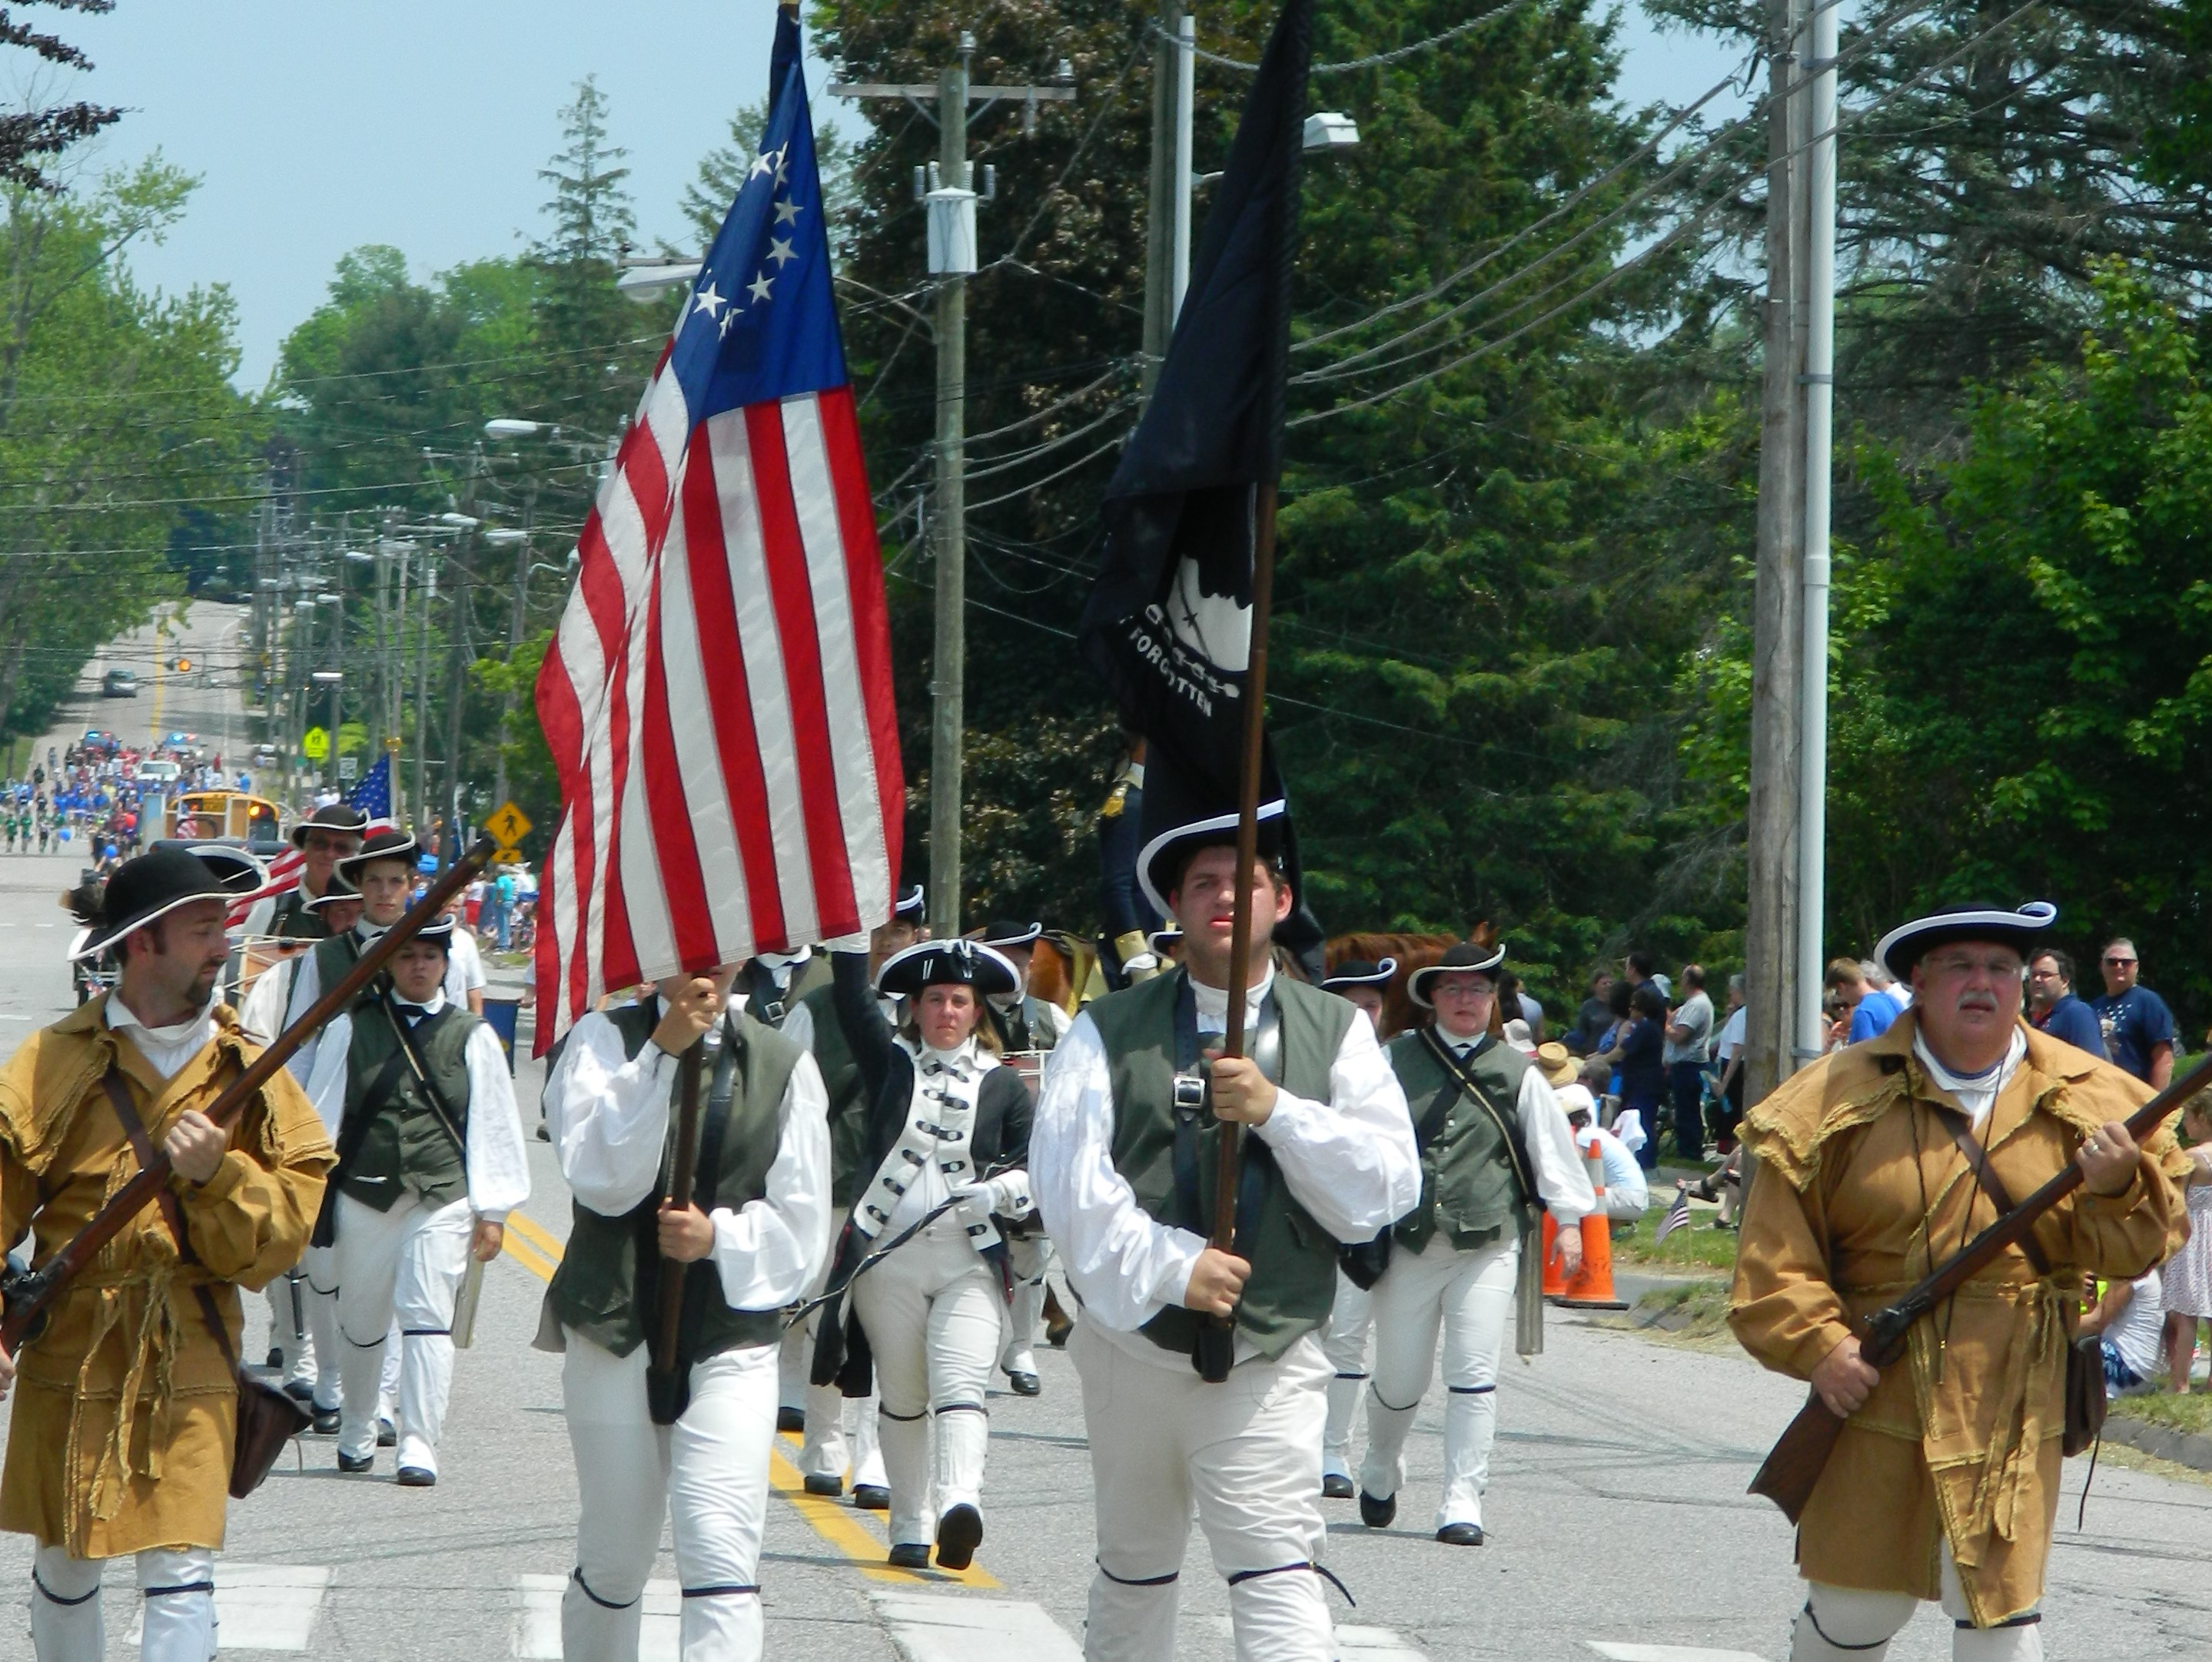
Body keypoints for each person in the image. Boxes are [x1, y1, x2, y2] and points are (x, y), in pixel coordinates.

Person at [1730, 901, 2187, 1660]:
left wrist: (2117, 1189)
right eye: (1960, 966)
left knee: (2001, 1617)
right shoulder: (1832, 1098)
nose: (1983, 983)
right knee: (1856, 1609)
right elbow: (1772, 1256)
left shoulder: (2093, 1098)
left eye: (2000, 968)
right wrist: (1821, 1348)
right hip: (1878, 1387)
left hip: (2015, 1394)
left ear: (2023, 984)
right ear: (1919, 981)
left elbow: (2132, 1255)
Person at [1030, 804, 1420, 1662]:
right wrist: (1176, 1267)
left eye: (1246, 881)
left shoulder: (1339, 1032)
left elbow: (1383, 1188)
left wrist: (1278, 1111)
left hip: (1267, 1355)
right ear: (1174, 905)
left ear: (1282, 902)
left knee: (1276, 1573)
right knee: (1133, 1573)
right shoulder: (1105, 1029)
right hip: (1131, 1352)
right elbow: (1069, 1186)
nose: (1225, 897)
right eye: (1202, 883)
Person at [0, 847, 333, 1661]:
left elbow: (283, 1234)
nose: (224, 946)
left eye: (223, 926)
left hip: (193, 1344)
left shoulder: (251, 1068)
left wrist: (220, 1175)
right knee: (66, 1562)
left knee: (182, 1571)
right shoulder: (51, 1061)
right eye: (204, 928)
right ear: (144, 941)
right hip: (72, 1347)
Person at [540, 962, 831, 1662]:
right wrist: (661, 1052)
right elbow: (600, 1177)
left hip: (732, 1334)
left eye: (728, 940)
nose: (711, 957)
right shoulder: (600, 1040)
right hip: (613, 1321)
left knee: (720, 1549)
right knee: (615, 1555)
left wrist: (718, 1237)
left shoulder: (785, 1064)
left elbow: (802, 1231)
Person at [1356, 943, 1594, 1547]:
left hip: (1488, 1242)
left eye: (1478, 990)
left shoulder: (1518, 1071)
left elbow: (1550, 1149)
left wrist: (1569, 1221)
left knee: (1472, 1373)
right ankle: (1380, 1461)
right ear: (1433, 998)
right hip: (1410, 1243)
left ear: (1492, 1001)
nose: (1467, 1000)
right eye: (1454, 989)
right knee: (1399, 1380)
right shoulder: (1393, 1059)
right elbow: (1357, 1141)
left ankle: (1462, 1497)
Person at [812, 937, 1034, 1571]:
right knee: (904, 1393)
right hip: (889, 1261)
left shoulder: (1004, 1084)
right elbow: (853, 1000)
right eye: (934, 998)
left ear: (977, 1010)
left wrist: (998, 1191)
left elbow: (1035, 1168)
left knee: (961, 1384)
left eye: (959, 1000)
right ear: (914, 1007)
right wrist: (852, 934)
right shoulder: (889, 1062)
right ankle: (910, 1523)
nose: (947, 1011)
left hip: (969, 1258)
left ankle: (961, 1502)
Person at [304, 914, 529, 1484]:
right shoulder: (350, 1028)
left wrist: (494, 1211)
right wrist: (306, 1193)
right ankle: (358, 1424)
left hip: (441, 1195)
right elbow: (320, 1117)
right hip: (364, 1194)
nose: (420, 965)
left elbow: (494, 1123)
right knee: (361, 1320)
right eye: (407, 956)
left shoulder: (473, 1035)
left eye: (431, 955)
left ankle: (419, 1442)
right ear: (389, 964)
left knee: (427, 1316)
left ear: (446, 964)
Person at [779, 883, 922, 1505]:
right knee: (826, 1319)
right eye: (877, 931)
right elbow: (785, 1101)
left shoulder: (931, 1007)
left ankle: (875, 1456)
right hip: (833, 1185)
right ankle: (823, 1444)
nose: (888, 942)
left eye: (899, 930)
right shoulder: (816, 1008)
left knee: (893, 1330)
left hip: (907, 1196)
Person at [975, 920, 1071, 1396]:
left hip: (1032, 1151)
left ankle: (1021, 1349)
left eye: (1020, 962)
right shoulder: (965, 1013)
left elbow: (1077, 1084)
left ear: (1032, 965)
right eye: (1003, 962)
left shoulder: (1054, 1019)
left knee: (1032, 1255)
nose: (1012, 971)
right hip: (973, 1151)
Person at [1314, 956, 1397, 1498]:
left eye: (1372, 1005)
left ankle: (1333, 1452)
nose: (1364, 1015)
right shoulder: (1304, 1059)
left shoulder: (1398, 1065)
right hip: (1303, 1215)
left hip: (1367, 1221)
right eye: (1353, 1006)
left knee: (1347, 1337)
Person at [239, 802, 367, 942]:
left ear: (356, 855)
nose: (330, 854)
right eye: (321, 845)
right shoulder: (271, 911)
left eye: (342, 848)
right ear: (306, 849)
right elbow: (245, 955)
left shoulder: (371, 912)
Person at [2159, 1099, 2212, 1392]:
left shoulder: (2192, 1156)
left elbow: (2175, 1198)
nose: (2186, 1125)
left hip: (2194, 1235)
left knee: (2186, 1312)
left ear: (2202, 1119)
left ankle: (2180, 1381)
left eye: (2189, 1119)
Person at [1556, 1053, 1648, 1222]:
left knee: (1565, 1196)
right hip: (1632, 1197)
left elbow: (1571, 1169)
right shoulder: (1591, 1133)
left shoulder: (1583, 1137)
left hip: (1627, 1199)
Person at [2091, 937, 2176, 1088]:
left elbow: (2163, 1058)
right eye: (2112, 962)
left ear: (2136, 967)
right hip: (2101, 1091)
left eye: (2126, 962)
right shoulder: (2093, 1007)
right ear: (2102, 966)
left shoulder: (2148, 1002)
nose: (2119, 966)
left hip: (2135, 1094)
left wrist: (2157, 1100)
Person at [1599, 984, 1667, 1168]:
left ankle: (1645, 1164)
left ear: (1643, 1009)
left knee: (1641, 1124)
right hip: (1639, 1083)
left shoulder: (1646, 1028)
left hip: (1645, 1085)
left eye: (1634, 1006)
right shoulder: (1644, 1027)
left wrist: (1600, 1062)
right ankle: (1641, 1161)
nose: (1630, 1010)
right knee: (1637, 1122)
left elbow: (1622, 1051)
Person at [2079, 1267, 2165, 1398]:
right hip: (2141, 1374)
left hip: (2126, 1369)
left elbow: (2095, 1323)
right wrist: (2091, 1303)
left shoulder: (2128, 1274)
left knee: (2065, 1345)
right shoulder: (2144, 1272)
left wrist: (2054, 1326)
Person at [1662, 964, 1713, 1163]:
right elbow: (1674, 1018)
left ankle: (1690, 1152)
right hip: (1684, 1066)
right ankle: (1687, 1149)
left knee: (1687, 1111)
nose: (1681, 982)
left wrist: (1665, 1027)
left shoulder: (1698, 1005)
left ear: (1689, 981)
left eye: (1683, 978)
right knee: (1685, 1109)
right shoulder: (1691, 1004)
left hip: (1689, 1066)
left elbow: (1679, 1035)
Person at [2024, 948, 2103, 1057]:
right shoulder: (2041, 1018)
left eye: (2045, 975)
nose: (2037, 979)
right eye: (2033, 975)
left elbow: (2091, 1062)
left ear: (2065, 981)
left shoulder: (2078, 1013)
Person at [1712, 974, 1748, 1149]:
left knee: (1732, 1117)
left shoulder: (1742, 1016)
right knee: (1729, 1117)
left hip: (1734, 1069)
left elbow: (1737, 1050)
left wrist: (1724, 1083)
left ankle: (1734, 1154)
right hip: (1730, 1065)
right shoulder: (1738, 1015)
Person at [1567, 969, 1614, 1055]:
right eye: (1604, 983)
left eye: (1610, 983)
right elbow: (1581, 1032)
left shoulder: (1617, 1005)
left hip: (1612, 1054)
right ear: (1595, 986)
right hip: (1592, 1054)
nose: (1608, 986)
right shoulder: (1588, 1006)